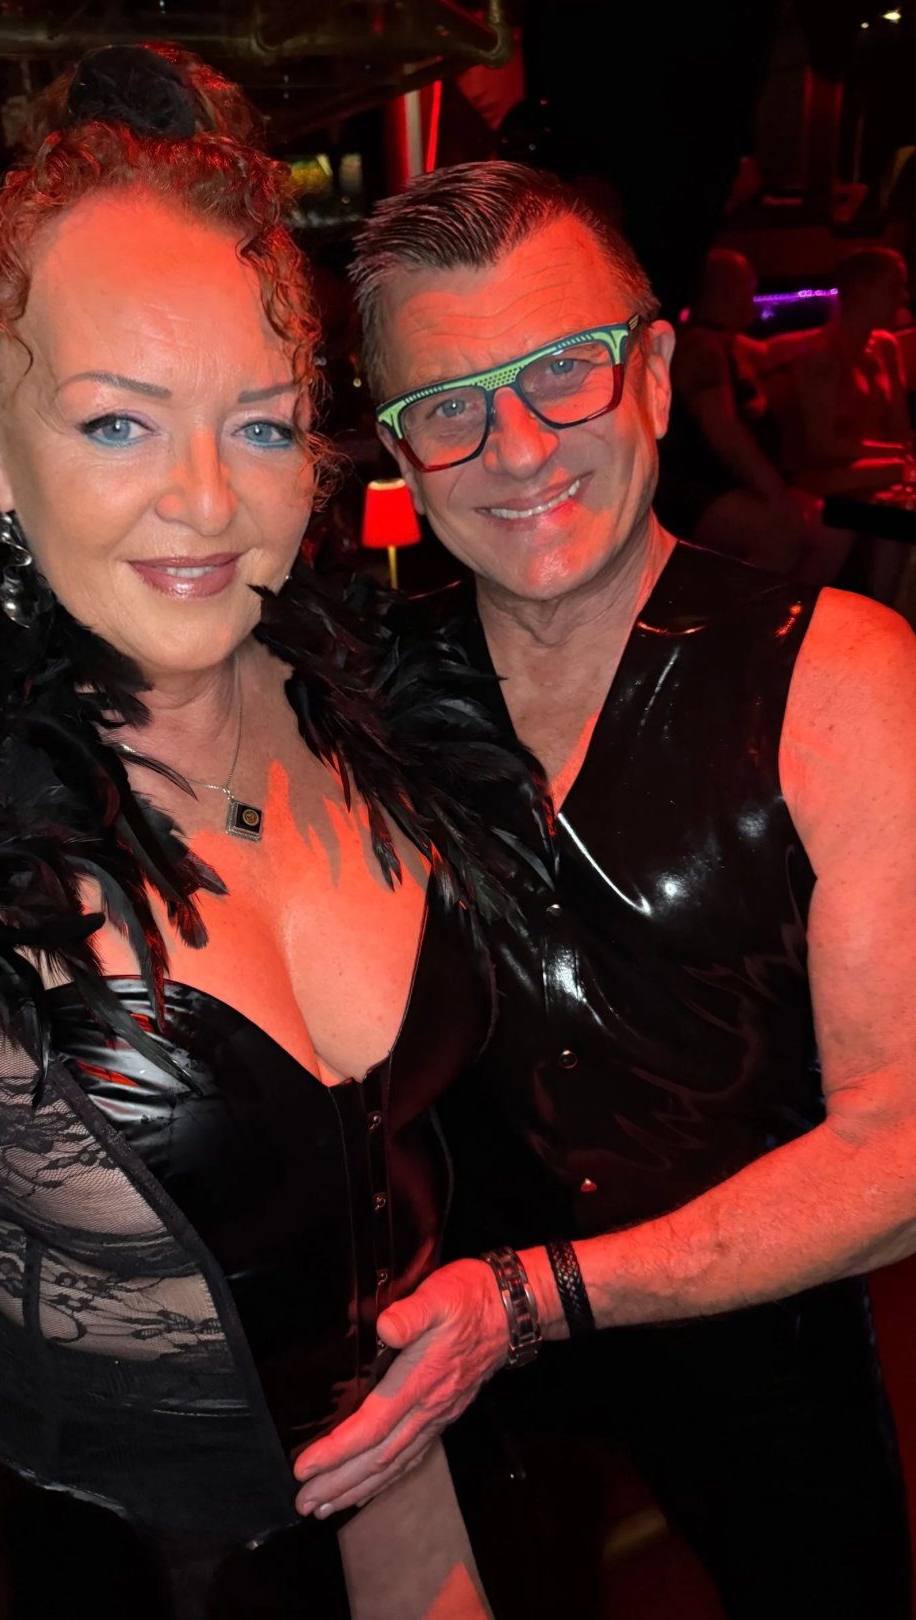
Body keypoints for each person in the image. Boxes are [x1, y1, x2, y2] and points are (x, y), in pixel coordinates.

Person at [0, 54, 543, 1620]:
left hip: (448, 1537)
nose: (209, 503)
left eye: (266, 426)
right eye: (117, 423)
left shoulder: (399, 716)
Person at [292, 162, 916, 1619]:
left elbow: (900, 1148)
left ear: (653, 375)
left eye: (563, 369)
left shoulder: (843, 675)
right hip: (457, 1384)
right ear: (400, 453)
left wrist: (540, 1297)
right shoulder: (348, 698)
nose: (516, 448)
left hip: (763, 1353)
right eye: (449, 405)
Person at [658, 248, 851, 584]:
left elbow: (772, 350)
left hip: (729, 482)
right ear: (726, 290)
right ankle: (737, 614)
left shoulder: (727, 343)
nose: (753, 295)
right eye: (748, 286)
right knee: (783, 532)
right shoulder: (701, 348)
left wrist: (842, 331)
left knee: (834, 529)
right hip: (697, 488)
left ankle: (793, 610)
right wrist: (775, 491)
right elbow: (724, 432)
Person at [787, 246, 915, 604]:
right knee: (902, 478)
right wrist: (898, 461)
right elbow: (821, 446)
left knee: (901, 500)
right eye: (895, 287)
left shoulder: (886, 347)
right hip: (821, 479)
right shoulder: (822, 355)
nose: (904, 298)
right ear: (861, 289)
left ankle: (888, 609)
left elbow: (900, 429)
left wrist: (900, 458)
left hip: (874, 474)